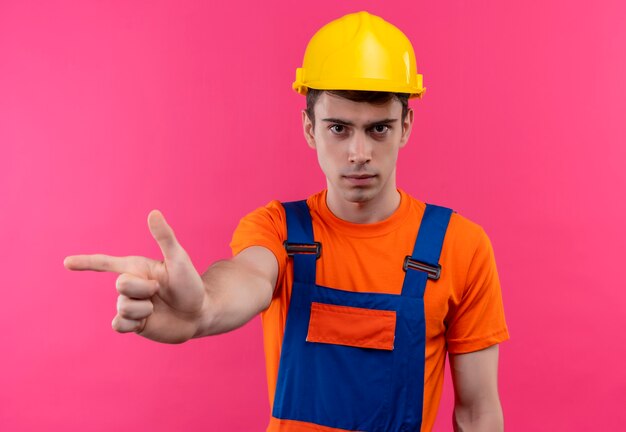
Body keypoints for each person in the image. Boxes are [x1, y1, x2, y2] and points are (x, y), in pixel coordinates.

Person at [64, 11, 509, 432]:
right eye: (338, 128)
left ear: (406, 126)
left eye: (379, 128)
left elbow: (477, 411)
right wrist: (202, 308)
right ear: (309, 128)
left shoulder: (459, 246)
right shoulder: (277, 229)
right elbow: (247, 276)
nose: (359, 152)